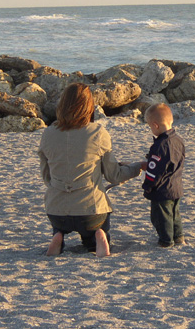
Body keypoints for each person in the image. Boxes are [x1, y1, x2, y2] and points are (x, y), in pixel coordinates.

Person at [38, 83, 142, 257]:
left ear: (62, 105)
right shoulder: (97, 133)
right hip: (90, 210)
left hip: (56, 210)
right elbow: (113, 176)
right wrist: (136, 167)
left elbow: (46, 177)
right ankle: (97, 237)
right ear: (89, 106)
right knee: (96, 228)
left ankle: (58, 235)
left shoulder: (48, 134)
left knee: (60, 223)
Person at [141, 103, 186, 248]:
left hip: (162, 190)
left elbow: (155, 171)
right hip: (176, 186)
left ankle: (166, 241)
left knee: (161, 217)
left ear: (155, 125)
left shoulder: (159, 146)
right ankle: (178, 237)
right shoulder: (178, 141)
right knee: (174, 214)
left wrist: (148, 186)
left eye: (150, 127)